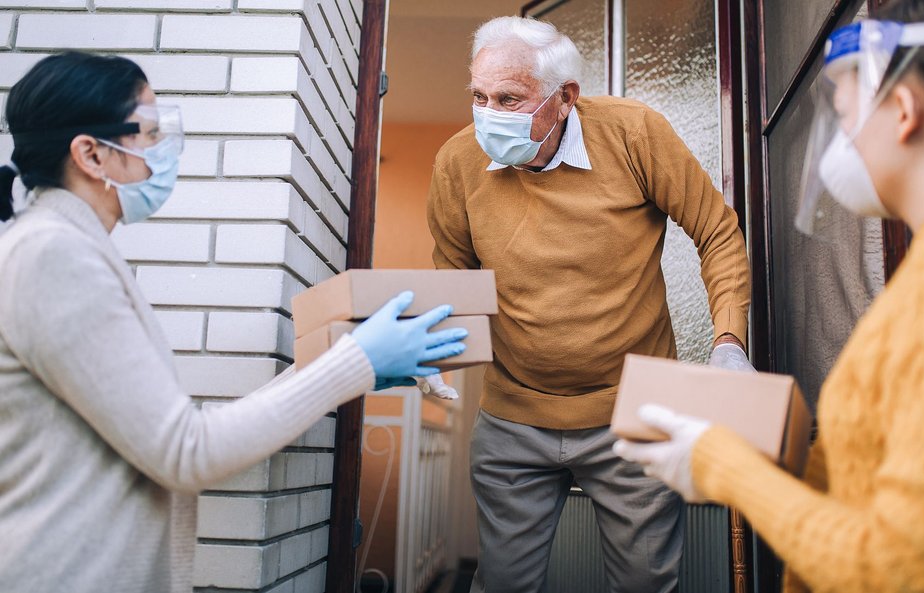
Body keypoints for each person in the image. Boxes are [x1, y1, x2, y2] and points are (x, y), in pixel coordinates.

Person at [0, 52, 468, 593]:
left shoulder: (68, 247)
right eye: (150, 131)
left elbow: (169, 434)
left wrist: (339, 366)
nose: (165, 149)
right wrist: (357, 359)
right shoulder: (54, 257)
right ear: (90, 153)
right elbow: (188, 452)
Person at [613, 1, 924, 592]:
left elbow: (898, 570)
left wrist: (724, 464)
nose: (837, 148)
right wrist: (775, 453)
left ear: (903, 111)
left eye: (843, 118)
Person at [427, 16, 753, 593]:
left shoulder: (634, 135)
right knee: (501, 584)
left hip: (635, 408)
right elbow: (454, 271)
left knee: (645, 583)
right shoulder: (458, 162)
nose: (488, 113)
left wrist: (728, 342)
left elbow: (717, 232)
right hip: (511, 416)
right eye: (478, 96)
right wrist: (435, 351)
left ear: (565, 99)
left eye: (509, 98)